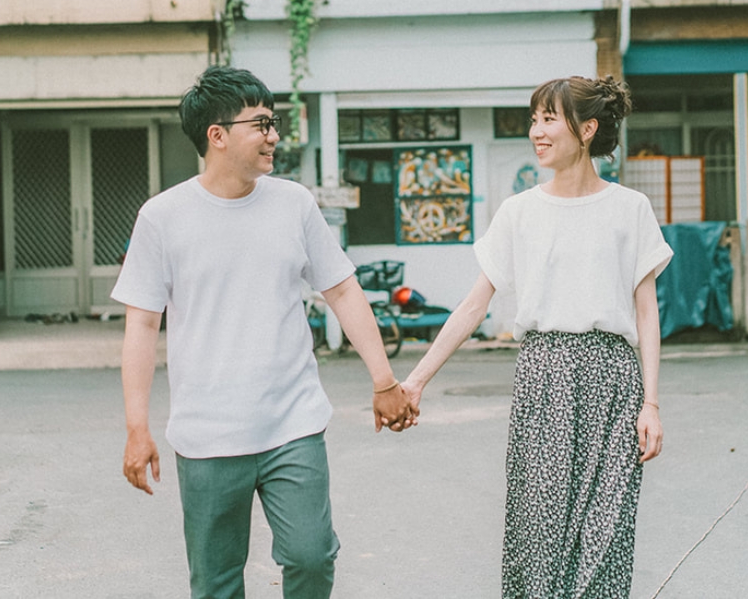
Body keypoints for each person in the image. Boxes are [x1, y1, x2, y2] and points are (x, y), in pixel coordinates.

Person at [113, 66, 416, 599]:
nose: (274, 136)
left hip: (291, 423)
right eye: (262, 124)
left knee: (312, 555)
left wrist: (384, 379)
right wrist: (137, 427)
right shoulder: (163, 217)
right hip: (207, 435)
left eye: (274, 123)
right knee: (216, 582)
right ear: (218, 135)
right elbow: (142, 322)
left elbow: (342, 289)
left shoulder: (292, 203)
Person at [402, 74, 672, 599]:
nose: (537, 132)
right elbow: (474, 304)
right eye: (535, 119)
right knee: (538, 533)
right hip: (543, 378)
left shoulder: (629, 209)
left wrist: (652, 404)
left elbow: (646, 312)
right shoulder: (519, 212)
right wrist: (414, 382)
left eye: (549, 119)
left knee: (607, 536)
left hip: (614, 381)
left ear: (587, 129)